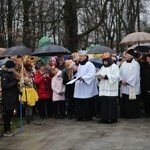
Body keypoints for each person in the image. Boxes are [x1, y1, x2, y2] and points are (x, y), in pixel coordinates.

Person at [73, 50, 98, 121]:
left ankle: (87, 116)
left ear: (85, 56)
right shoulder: (80, 65)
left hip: (86, 86)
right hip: (80, 86)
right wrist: (75, 72)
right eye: (79, 56)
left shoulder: (89, 64)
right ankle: (79, 116)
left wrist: (83, 78)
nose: (80, 58)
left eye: (81, 56)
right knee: (79, 101)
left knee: (87, 101)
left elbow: (91, 74)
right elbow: (77, 73)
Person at [95, 52, 119, 123]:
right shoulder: (102, 67)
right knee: (104, 104)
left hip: (111, 89)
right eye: (104, 61)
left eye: (106, 61)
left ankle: (112, 118)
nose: (105, 63)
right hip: (104, 89)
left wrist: (106, 76)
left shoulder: (115, 67)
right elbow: (100, 74)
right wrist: (98, 77)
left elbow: (116, 76)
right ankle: (104, 118)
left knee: (110, 105)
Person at [119, 48, 141, 118]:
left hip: (131, 86)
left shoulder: (136, 64)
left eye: (127, 54)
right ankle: (125, 113)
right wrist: (121, 80)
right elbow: (120, 73)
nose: (125, 56)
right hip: (124, 85)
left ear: (131, 55)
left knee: (132, 101)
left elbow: (136, 75)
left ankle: (133, 114)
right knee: (125, 100)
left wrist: (127, 81)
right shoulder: (124, 63)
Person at [1, 60, 20, 136]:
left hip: (12, 97)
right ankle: (6, 130)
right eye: (12, 67)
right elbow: (5, 86)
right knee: (8, 114)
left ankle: (8, 128)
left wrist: (19, 91)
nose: (13, 69)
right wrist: (15, 82)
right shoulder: (4, 75)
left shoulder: (11, 74)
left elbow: (14, 85)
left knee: (10, 114)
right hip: (8, 98)